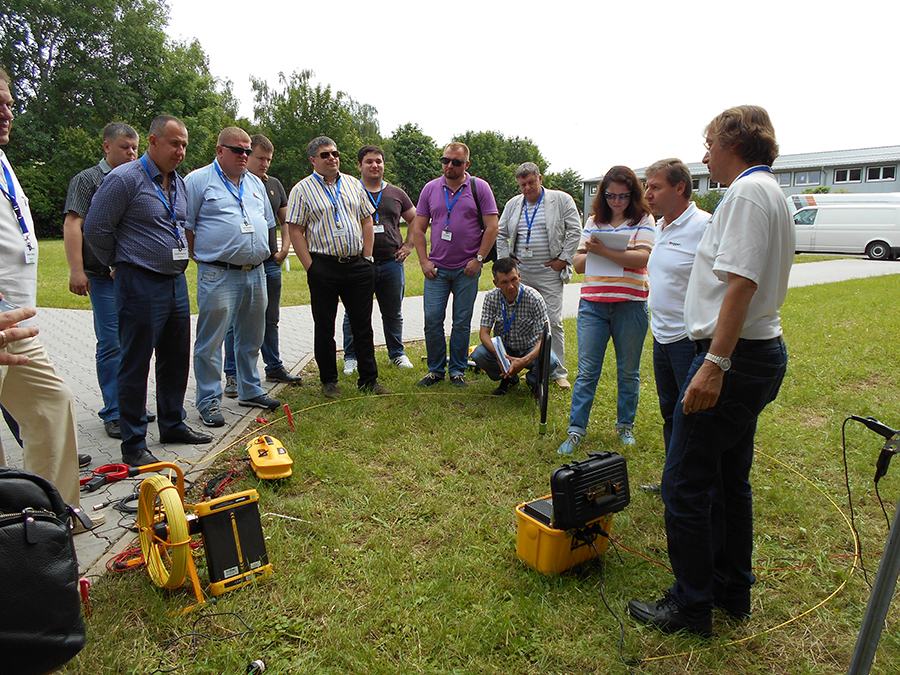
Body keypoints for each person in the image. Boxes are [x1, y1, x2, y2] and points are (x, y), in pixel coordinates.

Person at [629, 106, 793, 638]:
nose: (704, 156)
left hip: (735, 356)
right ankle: (730, 589)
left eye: (709, 143)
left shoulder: (746, 193)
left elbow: (741, 282)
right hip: (755, 353)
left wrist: (715, 364)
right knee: (727, 479)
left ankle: (691, 604)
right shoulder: (765, 190)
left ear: (735, 141)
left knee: (683, 484)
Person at [0, 69, 101, 532]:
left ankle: (48, 519)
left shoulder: (4, 163)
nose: (8, 112)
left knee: (53, 402)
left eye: (9, 102)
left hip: (17, 328)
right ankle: (14, 539)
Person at [84, 114, 213, 467]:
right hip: (138, 281)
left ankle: (172, 424)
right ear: (154, 142)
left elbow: (180, 225)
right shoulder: (125, 179)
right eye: (175, 143)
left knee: (175, 359)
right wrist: (118, 261)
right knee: (135, 362)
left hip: (173, 281)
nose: (181, 150)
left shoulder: (180, 184)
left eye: (185, 144)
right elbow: (95, 228)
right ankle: (134, 443)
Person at [63, 122, 156, 440]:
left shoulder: (141, 179)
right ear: (106, 146)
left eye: (135, 147)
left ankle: (133, 407)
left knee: (137, 343)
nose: (131, 153)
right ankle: (114, 412)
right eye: (124, 147)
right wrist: (77, 271)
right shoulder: (88, 180)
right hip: (102, 279)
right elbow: (73, 224)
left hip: (136, 277)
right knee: (111, 344)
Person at [185, 127, 281, 427]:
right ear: (219, 150)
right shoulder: (198, 181)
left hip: (255, 272)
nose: (244, 156)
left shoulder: (254, 183)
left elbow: (266, 222)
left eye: (247, 151)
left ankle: (250, 390)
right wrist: (200, 256)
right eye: (237, 150)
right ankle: (209, 401)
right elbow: (186, 225)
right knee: (211, 342)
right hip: (218, 273)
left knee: (252, 336)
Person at [557, 166, 655, 454]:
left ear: (633, 194)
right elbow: (577, 263)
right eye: (611, 195)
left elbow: (640, 259)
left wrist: (601, 252)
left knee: (628, 371)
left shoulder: (644, 220)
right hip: (593, 306)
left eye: (624, 196)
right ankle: (576, 430)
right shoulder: (593, 221)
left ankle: (625, 426)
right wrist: (615, 256)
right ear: (603, 194)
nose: (617, 202)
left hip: (631, 306)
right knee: (587, 371)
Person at [285, 136, 389, 399]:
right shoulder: (301, 190)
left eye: (335, 153)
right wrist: (310, 266)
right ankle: (329, 381)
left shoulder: (354, 184)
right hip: (324, 266)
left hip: (357, 265)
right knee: (324, 326)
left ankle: (369, 379)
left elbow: (367, 220)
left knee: (362, 325)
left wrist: (367, 257)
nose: (332, 158)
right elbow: (295, 229)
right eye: (325, 155)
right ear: (313, 160)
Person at [412, 142, 499, 388]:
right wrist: (423, 261)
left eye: (456, 162)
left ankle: (457, 370)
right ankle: (436, 371)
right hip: (436, 270)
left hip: (467, 270)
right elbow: (418, 228)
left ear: (466, 165)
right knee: (432, 319)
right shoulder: (430, 189)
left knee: (461, 322)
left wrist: (479, 259)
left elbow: (492, 227)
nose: (449, 165)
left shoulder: (479, 187)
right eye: (445, 160)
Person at [222, 134, 301, 397]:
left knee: (270, 319)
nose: (264, 163)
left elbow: (285, 220)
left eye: (268, 159)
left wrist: (284, 248)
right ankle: (232, 375)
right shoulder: (235, 184)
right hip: (240, 266)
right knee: (234, 321)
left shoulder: (274, 185)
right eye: (260, 158)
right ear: (247, 154)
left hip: (269, 264)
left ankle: (274, 366)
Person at [644, 159, 709, 456]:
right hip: (661, 337)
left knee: (692, 417)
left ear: (680, 187)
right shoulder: (659, 227)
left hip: (689, 340)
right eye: (647, 186)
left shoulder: (704, 226)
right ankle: (674, 478)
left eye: (656, 187)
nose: (647, 194)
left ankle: (690, 484)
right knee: (670, 411)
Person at [496, 162, 581, 388]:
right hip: (520, 274)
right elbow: (500, 232)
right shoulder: (513, 204)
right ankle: (528, 367)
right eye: (522, 184)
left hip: (549, 272)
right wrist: (506, 262)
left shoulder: (561, 200)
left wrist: (563, 259)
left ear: (540, 179)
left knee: (552, 320)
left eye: (531, 182)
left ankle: (557, 371)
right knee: (523, 321)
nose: (527, 188)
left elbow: (575, 230)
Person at [340, 145, 417, 375]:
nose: (375, 165)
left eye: (379, 161)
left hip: (391, 263)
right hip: (360, 263)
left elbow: (415, 219)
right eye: (369, 161)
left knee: (393, 312)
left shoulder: (396, 193)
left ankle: (397, 353)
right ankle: (351, 357)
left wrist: (409, 245)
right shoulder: (349, 191)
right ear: (359, 165)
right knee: (354, 312)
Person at [470, 257, 559, 396]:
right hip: (504, 349)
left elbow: (544, 339)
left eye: (514, 279)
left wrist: (524, 361)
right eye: (504, 282)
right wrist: (499, 355)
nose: (511, 286)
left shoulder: (535, 298)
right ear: (496, 283)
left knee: (551, 361)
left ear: (519, 276)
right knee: (478, 355)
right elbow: (484, 334)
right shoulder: (491, 297)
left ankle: (532, 380)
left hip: (529, 348)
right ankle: (508, 379)